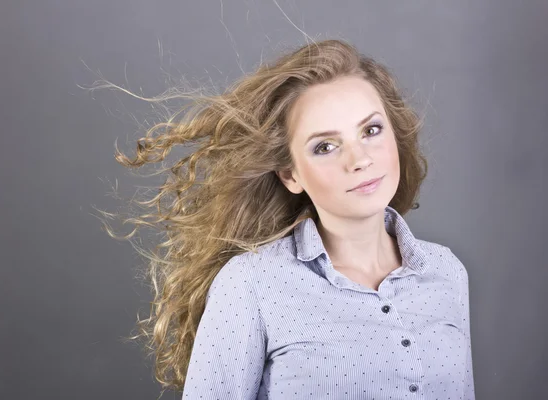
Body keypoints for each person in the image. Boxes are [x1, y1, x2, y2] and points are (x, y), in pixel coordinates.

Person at [103, 39, 474, 399]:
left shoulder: (447, 272)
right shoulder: (250, 285)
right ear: (290, 174)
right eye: (325, 147)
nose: (359, 159)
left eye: (371, 130)